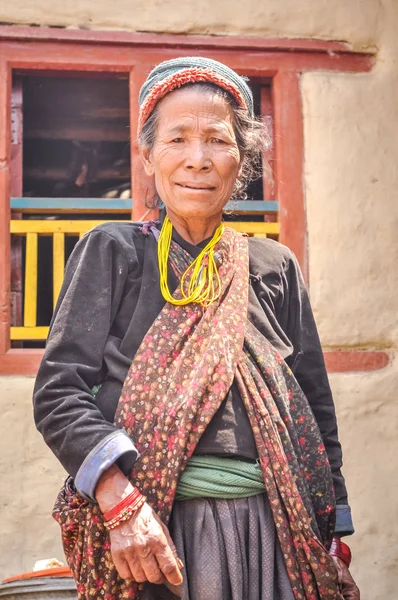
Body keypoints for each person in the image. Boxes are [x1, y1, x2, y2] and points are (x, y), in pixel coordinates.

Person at [33, 57, 360, 600]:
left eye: (217, 140)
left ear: (243, 158)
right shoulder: (113, 253)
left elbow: (315, 414)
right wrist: (119, 502)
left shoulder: (273, 266)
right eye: (177, 139)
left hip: (279, 526)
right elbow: (59, 392)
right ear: (147, 157)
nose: (198, 160)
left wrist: (331, 532)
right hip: (154, 526)